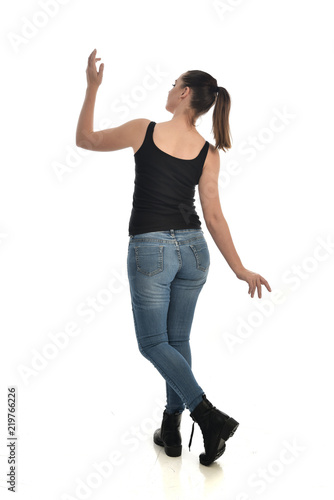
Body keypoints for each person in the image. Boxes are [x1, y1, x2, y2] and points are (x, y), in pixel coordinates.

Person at [76, 49, 272, 466]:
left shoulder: (143, 130)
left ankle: (207, 415)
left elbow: (86, 140)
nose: (168, 90)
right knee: (176, 342)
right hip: (195, 253)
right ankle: (171, 424)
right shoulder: (208, 151)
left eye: (172, 85)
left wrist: (92, 89)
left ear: (184, 94)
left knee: (152, 344)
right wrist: (239, 268)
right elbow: (214, 215)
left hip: (151, 250)